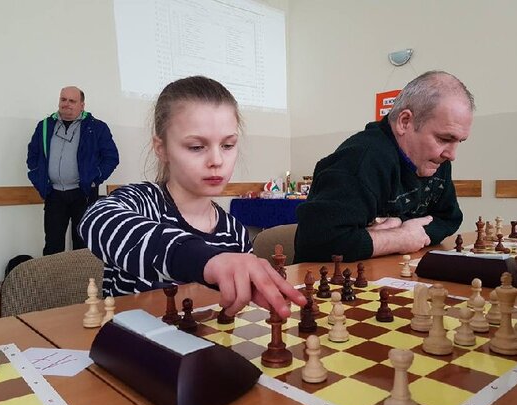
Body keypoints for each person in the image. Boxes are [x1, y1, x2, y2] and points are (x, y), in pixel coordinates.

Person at [79, 76, 305, 319]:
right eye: (196, 147)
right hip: (131, 341)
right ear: (162, 149)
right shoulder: (142, 202)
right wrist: (205, 260)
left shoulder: (235, 233)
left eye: (228, 145)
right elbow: (96, 219)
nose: (217, 160)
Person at [294, 71, 474, 263]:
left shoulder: (435, 159)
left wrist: (403, 228)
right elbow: (315, 241)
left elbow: (449, 218)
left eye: (459, 141)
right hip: (331, 276)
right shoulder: (360, 159)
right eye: (444, 139)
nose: (451, 155)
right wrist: (400, 238)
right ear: (405, 122)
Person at [27, 86, 119, 256]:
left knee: (82, 246)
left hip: (83, 194)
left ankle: (82, 276)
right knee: (53, 246)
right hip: (54, 195)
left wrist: (94, 179)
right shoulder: (44, 126)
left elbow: (111, 157)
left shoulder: (96, 127)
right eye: (63, 99)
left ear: (82, 105)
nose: (66, 104)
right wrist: (39, 180)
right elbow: (33, 156)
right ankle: (53, 275)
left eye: (72, 101)